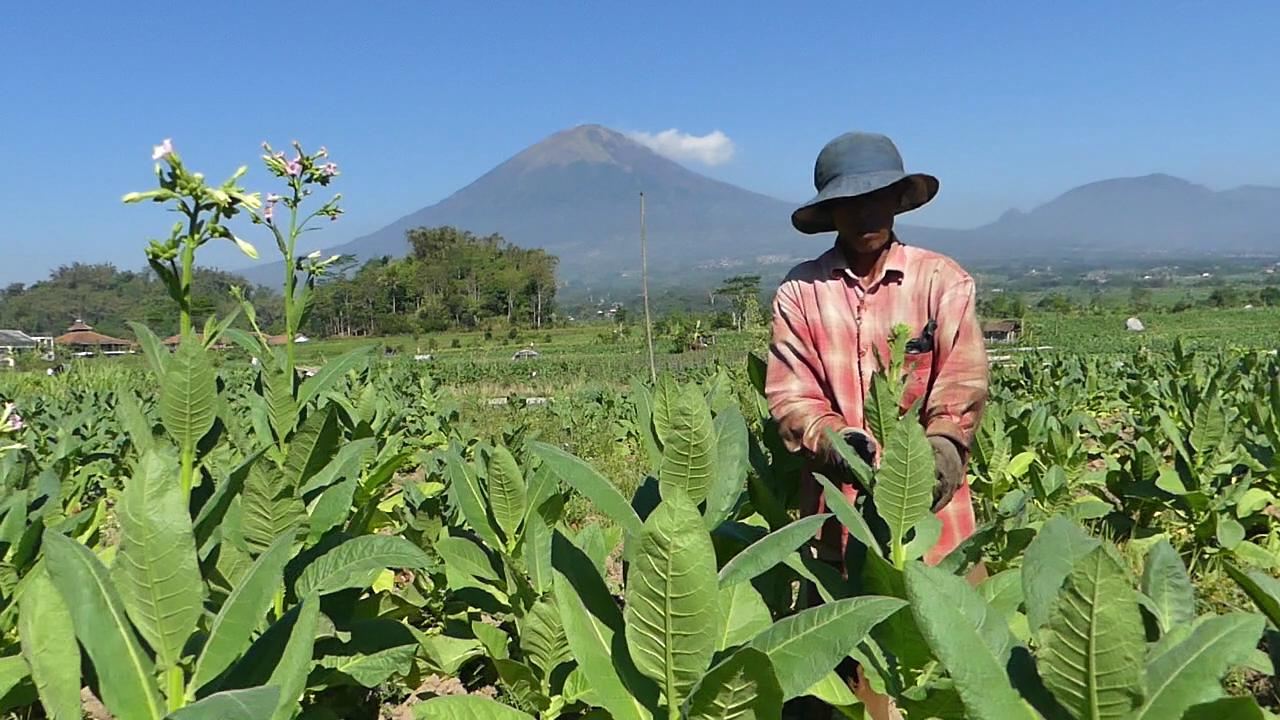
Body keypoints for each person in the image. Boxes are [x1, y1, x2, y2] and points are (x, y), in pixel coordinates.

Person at [766, 132, 989, 719]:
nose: (865, 213)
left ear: (897, 199)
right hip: (839, 524)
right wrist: (837, 444)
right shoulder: (801, 292)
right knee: (853, 679)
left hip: (935, 519)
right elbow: (791, 396)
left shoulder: (942, 281)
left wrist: (937, 454)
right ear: (830, 212)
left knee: (950, 672)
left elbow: (961, 383)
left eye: (878, 197)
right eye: (850, 201)